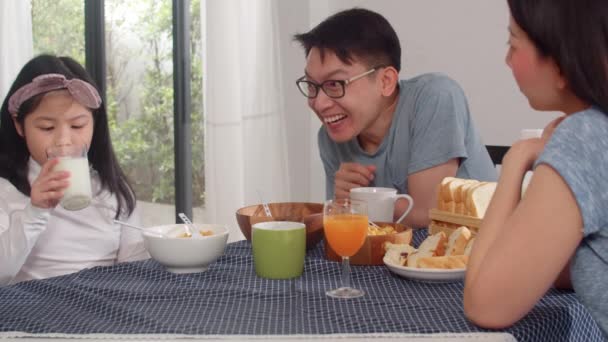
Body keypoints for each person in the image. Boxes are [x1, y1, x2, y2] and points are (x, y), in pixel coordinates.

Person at [464, 0, 608, 336]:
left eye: (513, 44)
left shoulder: (585, 137)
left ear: (560, 63)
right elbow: (557, 269)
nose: (506, 60)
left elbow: (486, 305)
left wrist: (516, 161)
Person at [293, 8, 496, 228]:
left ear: (386, 81)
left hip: (476, 252)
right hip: (390, 258)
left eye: (335, 84)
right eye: (312, 85)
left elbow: (427, 216)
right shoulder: (331, 135)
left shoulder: (435, 97)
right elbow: (345, 229)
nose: (318, 103)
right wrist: (341, 206)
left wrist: (354, 205)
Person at [0, 55, 148, 285]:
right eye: (47, 127)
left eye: (78, 125)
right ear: (19, 125)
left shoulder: (112, 190)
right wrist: (35, 212)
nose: (63, 141)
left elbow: (136, 270)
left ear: (94, 124)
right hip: (33, 313)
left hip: (104, 309)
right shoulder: (5, 191)